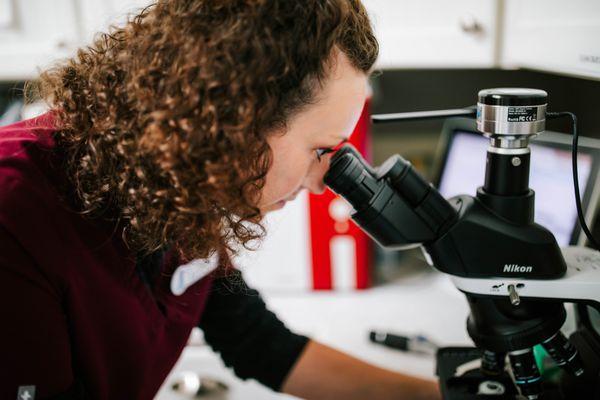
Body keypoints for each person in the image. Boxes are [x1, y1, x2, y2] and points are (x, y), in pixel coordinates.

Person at [0, 1, 441, 399]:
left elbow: (258, 343)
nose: (320, 184)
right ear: (235, 120)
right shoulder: (15, 214)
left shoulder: (179, 180)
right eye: (320, 150)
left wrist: (435, 396)